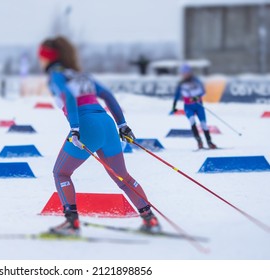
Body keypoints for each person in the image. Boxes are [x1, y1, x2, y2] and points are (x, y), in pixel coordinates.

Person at [38, 36, 161, 236]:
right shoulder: (81, 75)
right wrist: (123, 125)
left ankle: (72, 224)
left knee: (61, 173)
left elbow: (69, 97)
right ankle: (150, 220)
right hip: (107, 124)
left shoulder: (56, 75)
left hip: (87, 125)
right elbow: (108, 96)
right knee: (123, 178)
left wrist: (75, 127)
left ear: (48, 57)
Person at [171, 65, 217, 149]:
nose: (185, 75)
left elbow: (203, 92)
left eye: (186, 73)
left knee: (204, 125)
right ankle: (199, 142)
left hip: (199, 106)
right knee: (192, 122)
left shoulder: (196, 81)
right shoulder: (181, 83)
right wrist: (174, 106)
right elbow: (177, 95)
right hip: (188, 107)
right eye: (183, 73)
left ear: (190, 73)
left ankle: (209, 142)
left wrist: (196, 98)